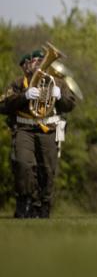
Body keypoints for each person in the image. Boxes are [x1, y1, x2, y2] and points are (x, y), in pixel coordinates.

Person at [1, 49, 76, 218]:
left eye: (42, 60)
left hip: (48, 130)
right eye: (35, 61)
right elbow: (3, 105)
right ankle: (26, 202)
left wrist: (60, 97)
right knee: (23, 164)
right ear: (29, 64)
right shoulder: (19, 83)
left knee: (47, 170)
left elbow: (71, 105)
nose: (39, 64)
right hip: (24, 129)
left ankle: (44, 205)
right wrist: (23, 96)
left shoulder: (57, 83)